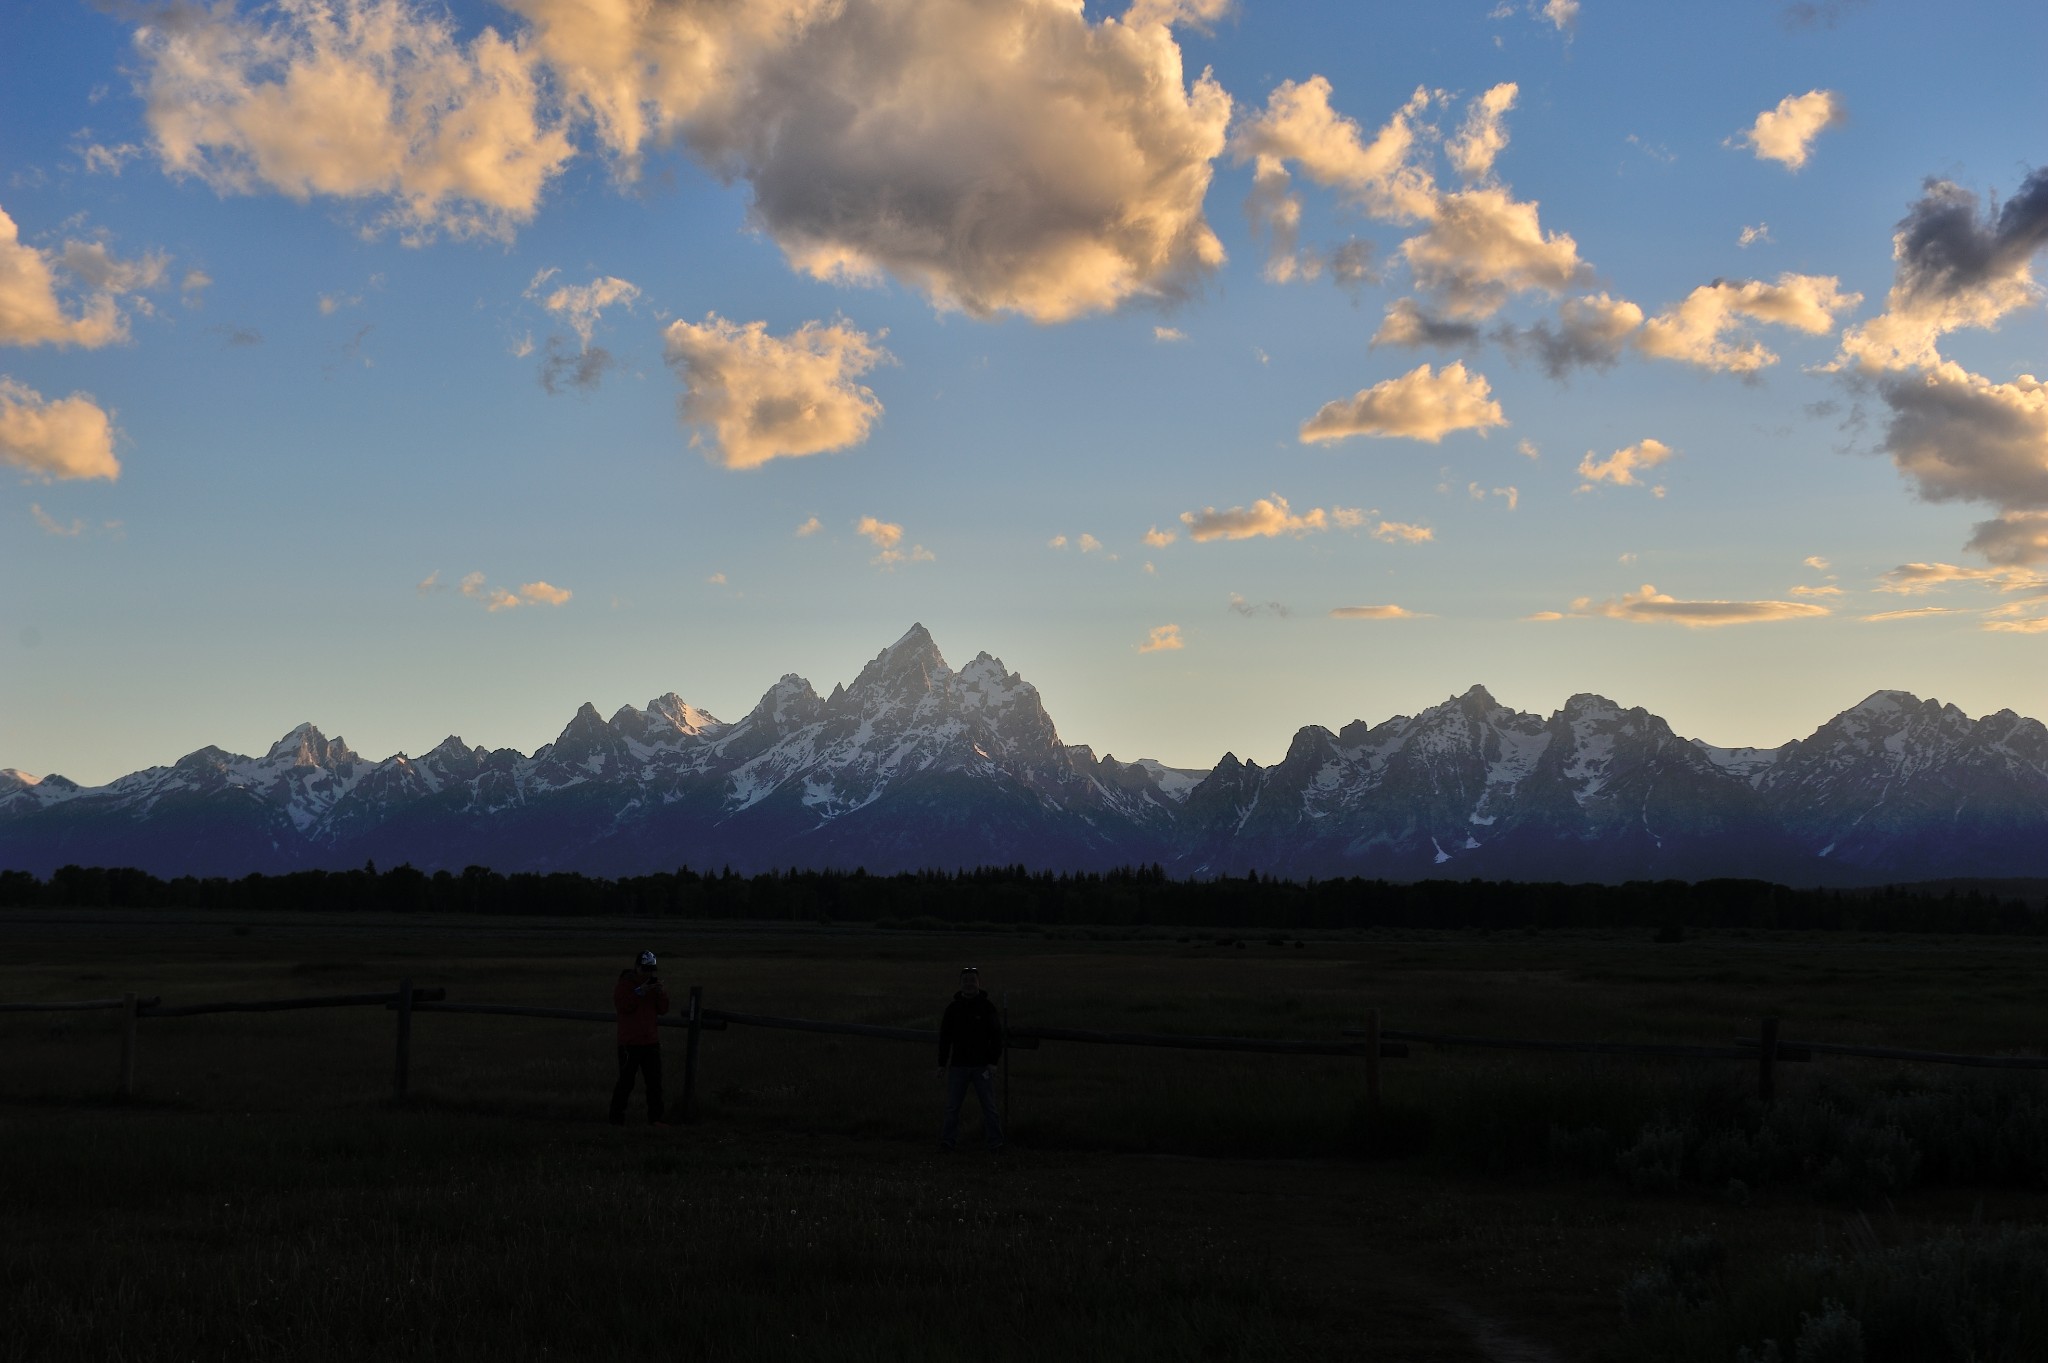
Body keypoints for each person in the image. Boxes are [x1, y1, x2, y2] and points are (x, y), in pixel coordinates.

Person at [936, 965, 1004, 1151]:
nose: (969, 984)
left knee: (989, 1107)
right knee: (952, 1107)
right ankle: (947, 1142)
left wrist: (993, 1062)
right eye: (965, 981)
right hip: (958, 1065)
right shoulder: (953, 1008)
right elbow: (945, 1037)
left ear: (978, 983)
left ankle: (995, 1142)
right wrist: (942, 1063)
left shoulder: (987, 1007)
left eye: (972, 980)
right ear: (960, 984)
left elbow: (997, 1036)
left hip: (982, 1066)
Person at [610, 950, 670, 1125]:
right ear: (636, 967)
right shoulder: (625, 985)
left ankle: (656, 1118)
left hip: (650, 1041)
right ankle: (616, 1118)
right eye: (645, 969)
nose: (648, 973)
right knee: (626, 1082)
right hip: (630, 1042)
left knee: (654, 1083)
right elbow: (623, 1006)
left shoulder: (653, 985)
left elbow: (663, 1009)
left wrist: (661, 993)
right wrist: (638, 993)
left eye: (651, 970)